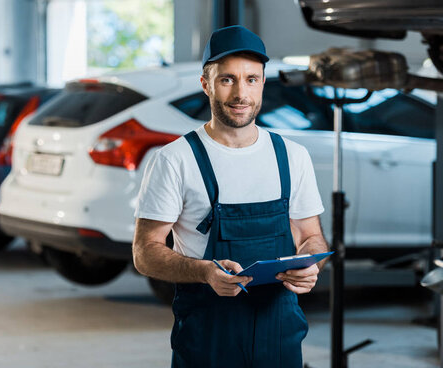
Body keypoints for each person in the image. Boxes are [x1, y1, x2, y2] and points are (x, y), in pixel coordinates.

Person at [132, 25, 329, 368]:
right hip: (208, 336)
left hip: (280, 333)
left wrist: (311, 264)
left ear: (263, 83)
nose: (241, 93)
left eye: (252, 79)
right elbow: (145, 253)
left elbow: (311, 236)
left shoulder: (292, 156)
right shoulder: (175, 160)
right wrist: (205, 271)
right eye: (227, 80)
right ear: (206, 84)